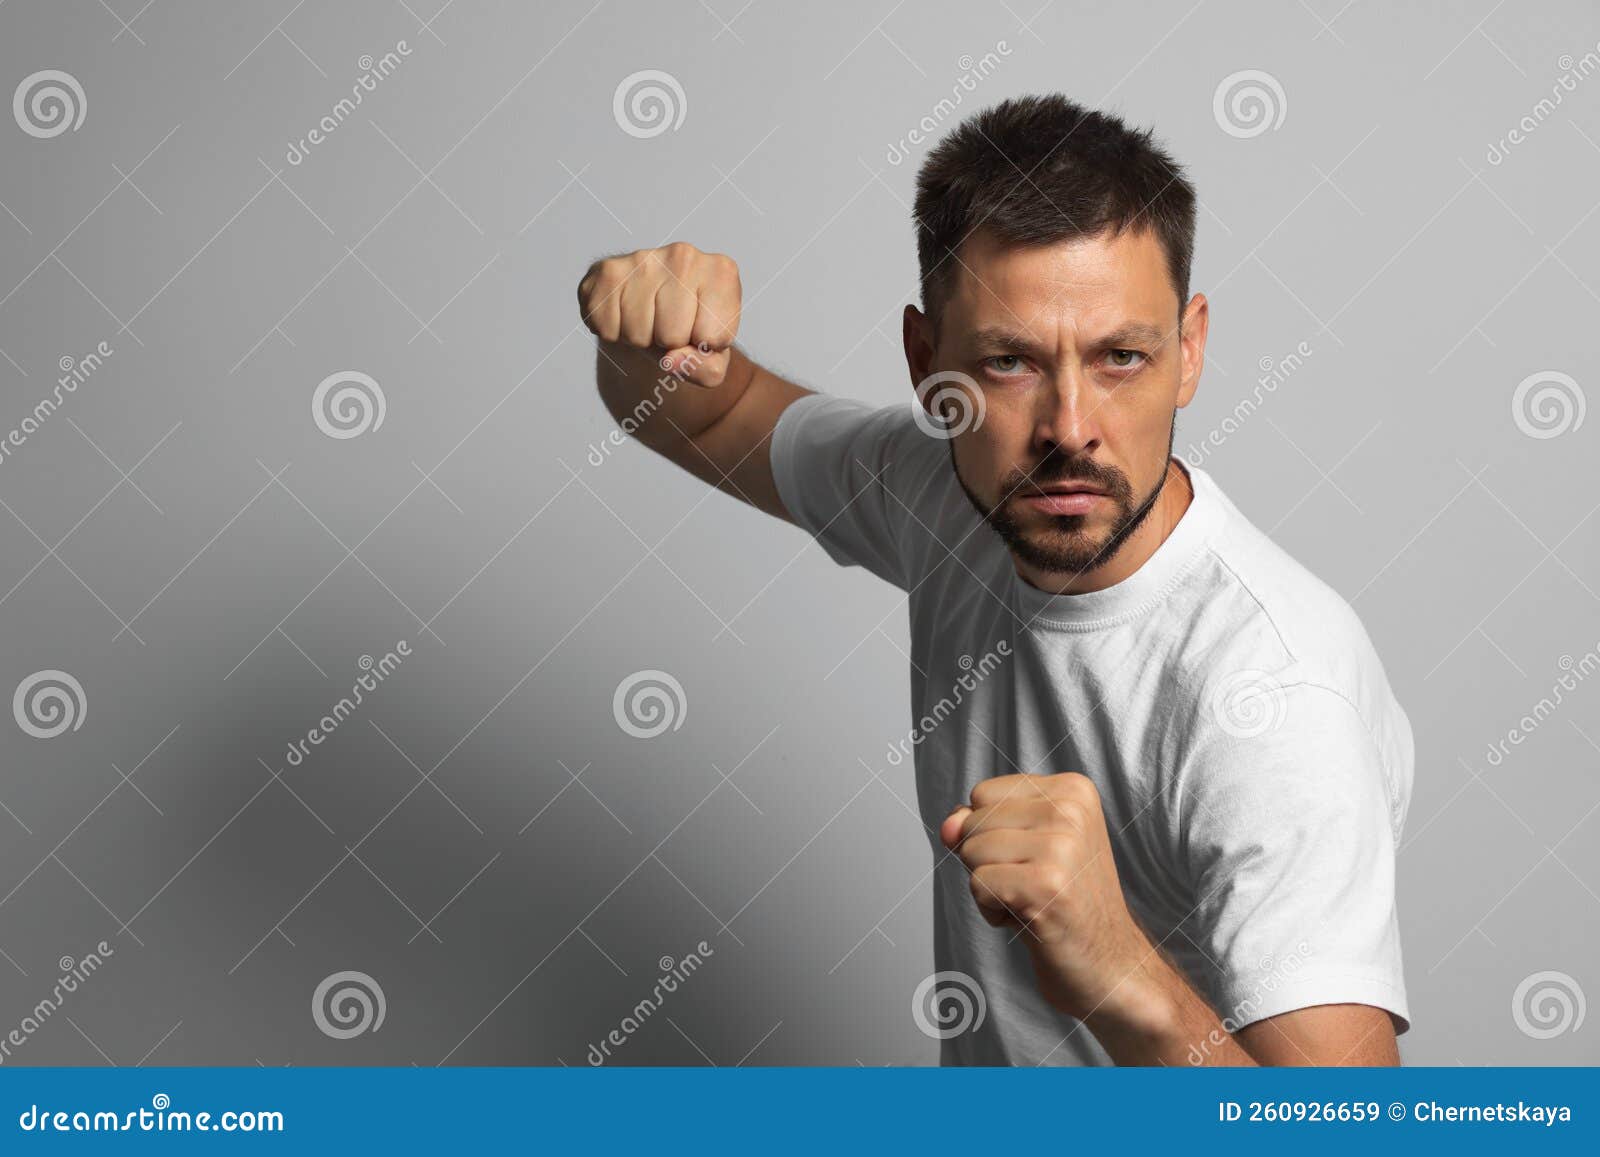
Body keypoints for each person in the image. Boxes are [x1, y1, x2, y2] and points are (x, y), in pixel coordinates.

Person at [576, 93, 1413, 1066]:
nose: (1068, 425)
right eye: (1010, 362)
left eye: (1121, 358)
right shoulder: (943, 493)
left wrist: (1123, 978)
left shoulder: (1274, 695)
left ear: (1188, 352)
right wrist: (640, 336)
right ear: (927, 362)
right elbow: (701, 416)